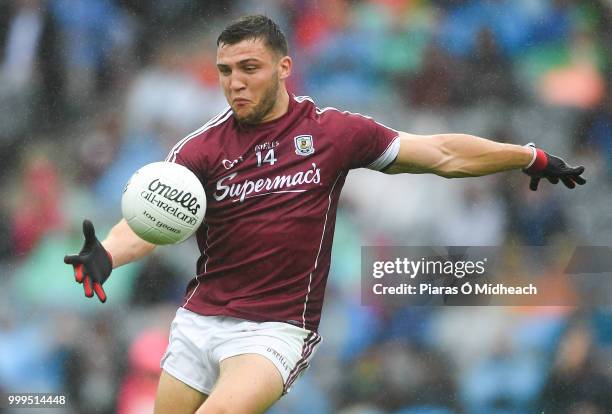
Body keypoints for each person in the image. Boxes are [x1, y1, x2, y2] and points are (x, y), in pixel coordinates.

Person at [64, 15, 586, 414]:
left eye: (249, 68)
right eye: (225, 71)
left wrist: (527, 156)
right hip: (199, 320)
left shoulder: (333, 133)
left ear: (283, 68)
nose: (235, 83)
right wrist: (107, 253)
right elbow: (150, 223)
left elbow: (442, 154)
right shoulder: (200, 150)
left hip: (275, 330)